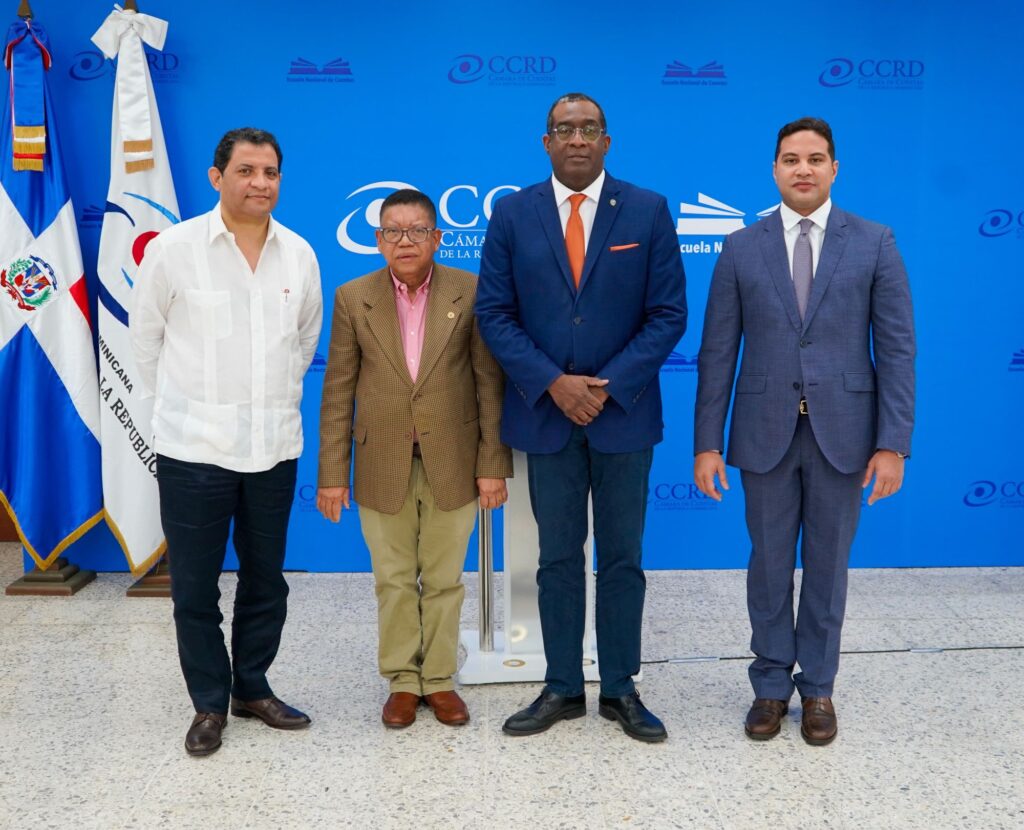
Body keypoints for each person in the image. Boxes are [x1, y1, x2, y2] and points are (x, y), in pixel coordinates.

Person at [693, 116, 916, 745]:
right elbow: (718, 353)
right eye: (791, 159)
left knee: (827, 566)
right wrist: (707, 442)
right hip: (762, 433)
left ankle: (818, 687)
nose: (803, 169)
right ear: (774, 170)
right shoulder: (741, 247)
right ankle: (769, 686)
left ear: (834, 169)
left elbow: (897, 350)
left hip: (845, 436)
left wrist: (893, 443)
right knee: (767, 566)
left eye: (815, 159)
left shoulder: (874, 242)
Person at [475, 93, 687, 743]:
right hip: (547, 416)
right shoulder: (513, 213)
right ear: (546, 142)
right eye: (564, 129)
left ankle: (620, 687)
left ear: (606, 141)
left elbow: (668, 315)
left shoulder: (647, 210)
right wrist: (554, 384)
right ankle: (562, 685)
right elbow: (494, 314)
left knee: (622, 558)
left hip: (624, 417)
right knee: (557, 559)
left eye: (588, 129)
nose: (576, 139)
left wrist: (604, 388)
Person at [130, 127, 322, 756]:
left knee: (267, 581)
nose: (260, 183)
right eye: (246, 171)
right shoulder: (173, 249)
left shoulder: (299, 254)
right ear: (217, 177)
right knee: (194, 588)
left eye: (270, 172)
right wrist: (183, 412)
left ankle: (252, 688)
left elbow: (303, 344)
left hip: (272, 447)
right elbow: (145, 343)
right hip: (193, 452)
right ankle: (209, 703)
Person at [317, 189, 511, 729]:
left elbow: (488, 383)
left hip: (454, 460)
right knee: (394, 579)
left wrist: (492, 463)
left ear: (437, 237)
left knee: (445, 579)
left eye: (417, 230)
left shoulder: (470, 291)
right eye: (393, 231)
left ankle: (440, 679)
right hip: (380, 461)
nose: (405, 241)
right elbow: (338, 390)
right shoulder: (353, 297)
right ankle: (403, 680)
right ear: (378, 240)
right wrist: (332, 474)